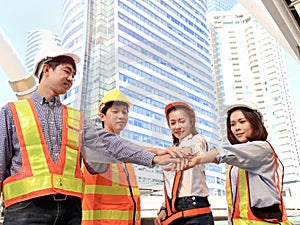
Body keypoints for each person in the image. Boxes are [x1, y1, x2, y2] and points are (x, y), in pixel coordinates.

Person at [0, 45, 188, 225]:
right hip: (25, 208)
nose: (70, 78)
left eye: (73, 75)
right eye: (67, 71)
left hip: (70, 211)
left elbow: (112, 144)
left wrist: (153, 158)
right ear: (47, 69)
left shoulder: (76, 118)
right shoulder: (12, 112)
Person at [184, 99, 291, 224]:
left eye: (242, 122)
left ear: (255, 123)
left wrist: (195, 160)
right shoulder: (236, 163)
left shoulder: (262, 148)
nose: (237, 128)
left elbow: (222, 153)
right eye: (232, 124)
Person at [82, 89, 142, 224]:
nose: (121, 116)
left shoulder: (124, 153)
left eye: (124, 112)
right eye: (115, 111)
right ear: (102, 116)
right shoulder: (96, 146)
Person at [154, 102, 214, 225]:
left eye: (182, 121)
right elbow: (172, 185)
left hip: (195, 209)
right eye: (173, 123)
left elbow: (195, 150)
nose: (177, 126)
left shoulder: (197, 139)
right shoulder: (172, 149)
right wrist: (165, 207)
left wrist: (184, 151)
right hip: (174, 211)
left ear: (191, 122)